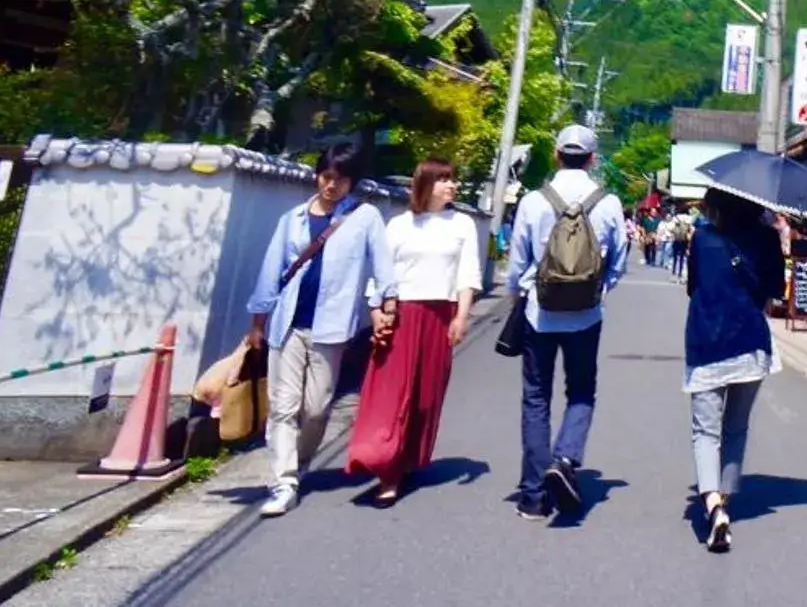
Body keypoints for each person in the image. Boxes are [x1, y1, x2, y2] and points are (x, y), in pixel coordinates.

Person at [246, 142, 397, 518]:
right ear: (318, 176)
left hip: (331, 328)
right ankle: (284, 481)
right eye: (327, 177)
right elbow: (271, 271)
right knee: (284, 407)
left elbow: (383, 267)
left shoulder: (365, 218)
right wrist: (258, 323)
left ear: (351, 183)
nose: (331, 186)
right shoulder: (292, 219)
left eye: (341, 180)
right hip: (288, 323)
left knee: (316, 408)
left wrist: (385, 305)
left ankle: (300, 461)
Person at [503, 123, 628, 521]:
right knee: (581, 392)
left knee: (536, 397)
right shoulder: (608, 202)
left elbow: (517, 263)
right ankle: (566, 458)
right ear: (592, 159)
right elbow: (618, 262)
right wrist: (599, 290)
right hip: (586, 316)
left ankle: (533, 496)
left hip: (540, 313)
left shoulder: (535, 200)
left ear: (557, 155)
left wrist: (520, 293)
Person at [347, 160, 481, 502]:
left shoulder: (462, 224)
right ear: (425, 184)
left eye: (453, 180)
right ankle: (385, 467)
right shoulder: (398, 225)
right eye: (444, 180)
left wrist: (461, 316)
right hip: (401, 313)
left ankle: (405, 459)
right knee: (391, 392)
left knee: (425, 394)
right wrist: (375, 311)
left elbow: (467, 275)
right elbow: (379, 273)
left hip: (440, 314)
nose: (452, 186)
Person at [683, 187, 785, 552]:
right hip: (751, 342)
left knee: (705, 431)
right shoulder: (768, 238)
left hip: (707, 341)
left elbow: (693, 287)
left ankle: (711, 504)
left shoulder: (703, 239)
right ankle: (725, 499)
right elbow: (776, 289)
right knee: (736, 427)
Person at [667, 210, 692, 282]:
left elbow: (671, 229)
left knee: (675, 257)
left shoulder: (676, 218)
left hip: (676, 240)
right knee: (682, 258)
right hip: (684, 241)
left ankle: (674, 272)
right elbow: (689, 231)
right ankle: (680, 273)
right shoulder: (687, 220)